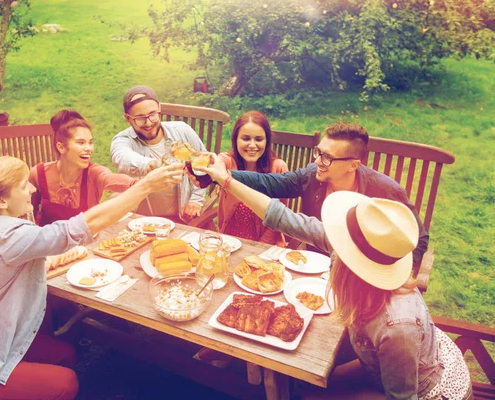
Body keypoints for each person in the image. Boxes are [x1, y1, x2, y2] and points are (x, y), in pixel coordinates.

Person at [201, 159, 472, 400]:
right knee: (304, 382)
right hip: (374, 360)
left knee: (309, 393)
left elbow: (401, 395)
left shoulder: (397, 327)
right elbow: (281, 217)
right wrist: (225, 179)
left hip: (424, 389)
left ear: (355, 264)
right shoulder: (356, 243)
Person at [0, 156, 183, 400]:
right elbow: (84, 225)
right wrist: (147, 185)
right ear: (0, 201)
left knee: (65, 354)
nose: (33, 191)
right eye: (24, 186)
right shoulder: (6, 239)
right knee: (66, 382)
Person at [225, 121, 428, 273]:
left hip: (364, 272)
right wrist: (225, 174)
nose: (318, 161)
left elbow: (418, 238)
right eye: (318, 152)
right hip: (313, 264)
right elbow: (273, 183)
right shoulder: (313, 174)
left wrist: (403, 274)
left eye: (328, 157)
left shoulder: (385, 192)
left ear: (353, 165)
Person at [110, 85, 207, 223]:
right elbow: (122, 157)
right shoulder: (122, 141)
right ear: (128, 118)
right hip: (141, 220)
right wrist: (150, 165)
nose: (148, 123)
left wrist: (196, 200)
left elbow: (203, 166)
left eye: (153, 115)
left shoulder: (182, 130)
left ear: (159, 109)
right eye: (140, 118)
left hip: (180, 218)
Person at [29, 110, 136, 226]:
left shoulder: (93, 173)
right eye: (81, 143)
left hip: (84, 243)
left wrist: (142, 183)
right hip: (47, 242)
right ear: (61, 147)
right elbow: (27, 214)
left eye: (90, 143)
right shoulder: (38, 174)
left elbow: (109, 178)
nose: (89, 148)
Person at [216, 110, 288, 245]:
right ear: (235, 139)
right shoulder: (228, 162)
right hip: (229, 244)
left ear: (267, 141)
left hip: (266, 246)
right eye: (246, 138)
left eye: (259, 139)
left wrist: (258, 248)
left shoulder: (278, 168)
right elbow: (217, 162)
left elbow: (279, 219)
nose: (252, 145)